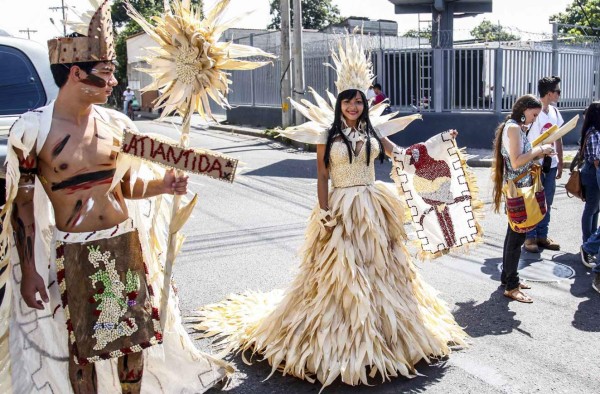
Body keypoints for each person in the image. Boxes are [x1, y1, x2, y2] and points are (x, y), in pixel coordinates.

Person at [195, 36, 468, 391]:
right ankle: (342, 339)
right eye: (349, 101)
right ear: (340, 104)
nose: (354, 106)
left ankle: (383, 337)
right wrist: (324, 212)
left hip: (373, 205)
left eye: (359, 101)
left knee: (380, 267)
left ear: (365, 104)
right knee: (340, 271)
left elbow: (402, 155)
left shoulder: (373, 130)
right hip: (340, 206)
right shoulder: (327, 133)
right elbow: (323, 175)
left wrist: (437, 142)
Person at [0, 1, 228, 392]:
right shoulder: (32, 131)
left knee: (134, 344)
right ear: (76, 73)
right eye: (106, 74)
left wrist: (162, 186)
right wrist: (30, 272)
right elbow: (22, 206)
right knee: (82, 352)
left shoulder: (117, 126)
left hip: (124, 246)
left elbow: (121, 187)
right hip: (74, 252)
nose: (113, 83)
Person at [491, 94, 555, 303]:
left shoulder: (513, 127)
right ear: (524, 109)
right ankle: (511, 285)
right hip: (518, 189)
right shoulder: (514, 128)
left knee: (513, 236)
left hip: (517, 188)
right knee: (516, 238)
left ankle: (508, 278)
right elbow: (517, 162)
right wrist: (540, 150)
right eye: (534, 114)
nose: (534, 119)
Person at [523, 76, 564, 253]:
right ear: (549, 93)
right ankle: (530, 237)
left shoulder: (555, 112)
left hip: (551, 163)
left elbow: (559, 136)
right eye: (558, 92)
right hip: (534, 164)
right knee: (533, 200)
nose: (559, 95)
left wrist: (560, 161)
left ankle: (542, 235)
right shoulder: (534, 111)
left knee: (547, 200)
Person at [579, 102, 600, 246]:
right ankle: (587, 242)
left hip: (593, 172)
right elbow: (596, 160)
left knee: (596, 208)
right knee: (591, 208)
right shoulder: (593, 133)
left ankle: (591, 240)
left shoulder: (594, 131)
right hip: (592, 173)